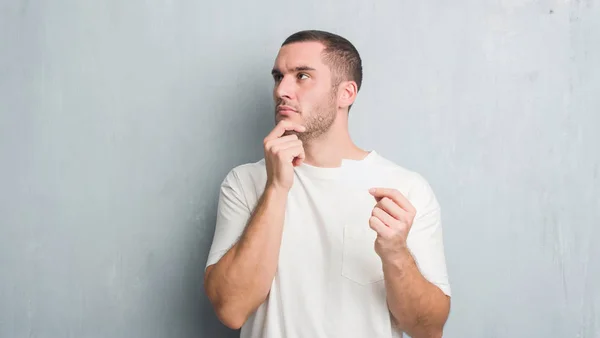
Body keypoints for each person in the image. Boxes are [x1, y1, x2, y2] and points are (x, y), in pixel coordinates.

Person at [204, 30, 451, 338]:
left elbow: (428, 329)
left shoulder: (406, 189)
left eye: (302, 76)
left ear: (346, 93)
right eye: (278, 77)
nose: (282, 89)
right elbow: (231, 309)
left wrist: (396, 252)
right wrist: (276, 189)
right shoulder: (244, 183)